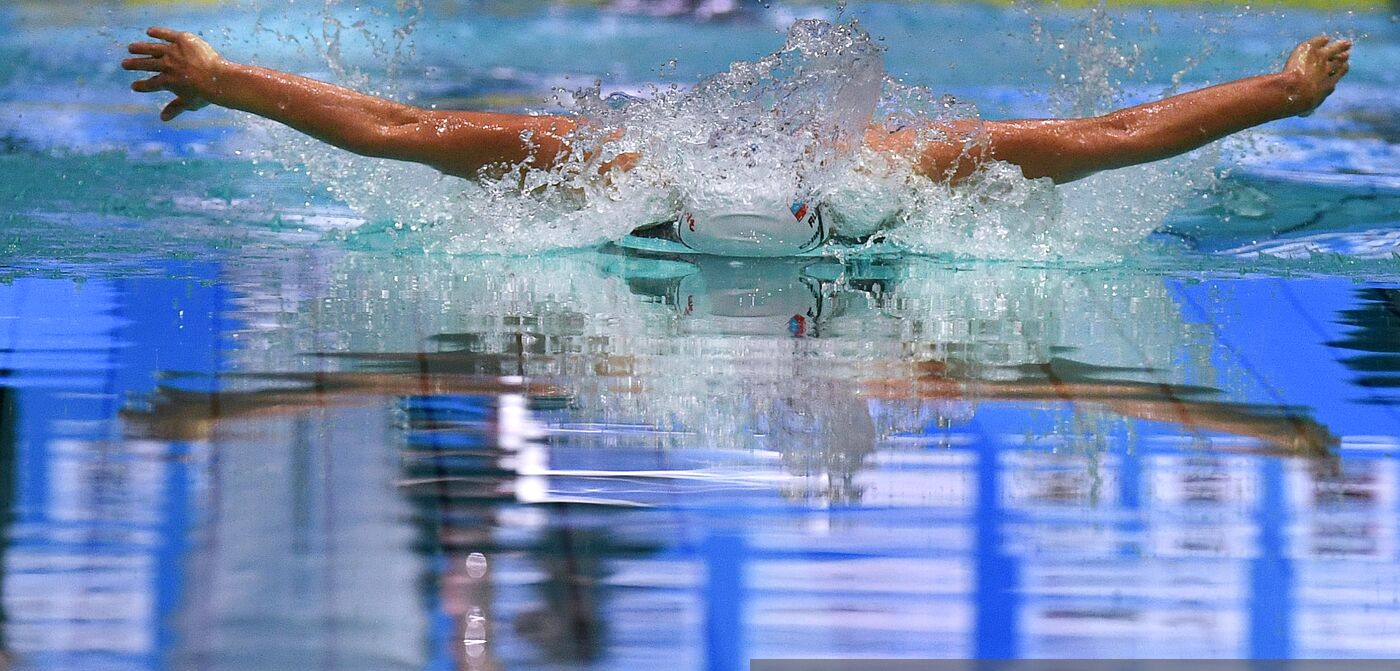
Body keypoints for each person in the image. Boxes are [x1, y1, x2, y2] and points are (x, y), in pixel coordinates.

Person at [122, 26, 1350, 242]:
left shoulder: (900, 172)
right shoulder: (600, 168)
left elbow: (1109, 133)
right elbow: (398, 126)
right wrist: (229, 80)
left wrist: (1277, 94)